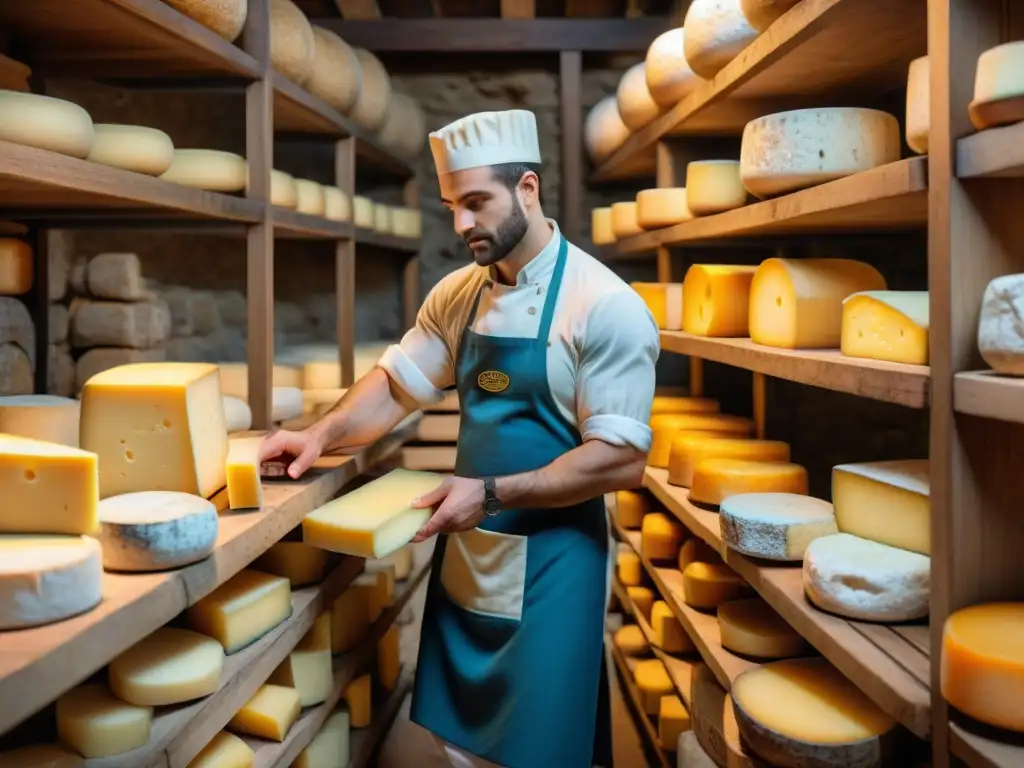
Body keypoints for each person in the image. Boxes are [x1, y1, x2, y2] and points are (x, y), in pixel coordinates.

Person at [258, 108, 660, 767]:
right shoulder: (459, 295)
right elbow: (394, 385)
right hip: (473, 550)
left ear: (527, 190)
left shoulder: (604, 306)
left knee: (543, 743)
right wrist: (319, 434)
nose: (461, 224)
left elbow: (618, 462)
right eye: (452, 205)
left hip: (555, 560)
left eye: (477, 203)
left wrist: (493, 493)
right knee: (463, 746)